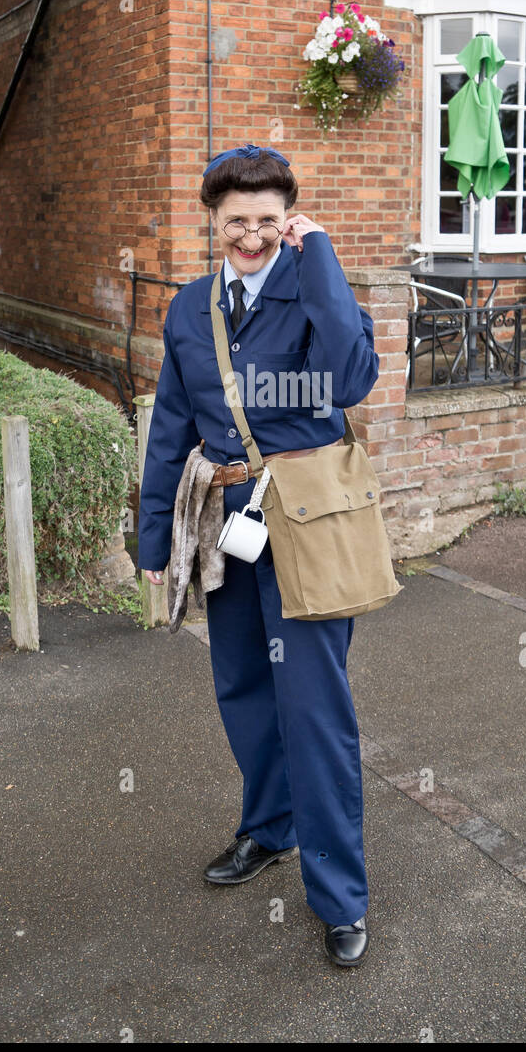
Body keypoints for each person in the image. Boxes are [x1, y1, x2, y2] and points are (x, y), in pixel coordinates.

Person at [137, 143, 379, 967]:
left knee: (315, 711)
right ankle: (268, 829)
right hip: (224, 524)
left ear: (289, 220)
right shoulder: (188, 308)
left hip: (306, 521)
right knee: (242, 688)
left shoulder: (314, 287)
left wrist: (323, 261)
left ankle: (342, 896)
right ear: (213, 221)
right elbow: (171, 427)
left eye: (267, 221)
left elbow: (348, 379)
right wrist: (151, 542)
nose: (250, 235)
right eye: (236, 220)